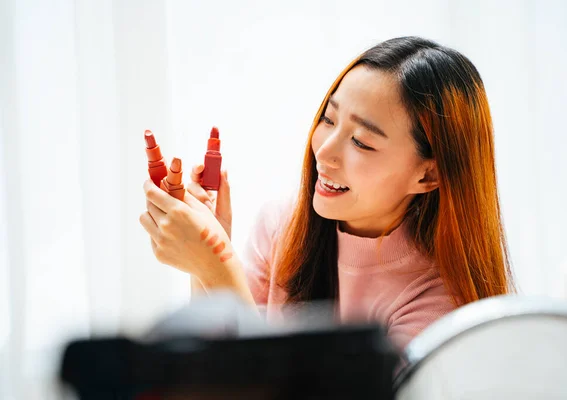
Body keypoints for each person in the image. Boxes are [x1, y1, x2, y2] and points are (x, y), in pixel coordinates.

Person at [140, 36, 515, 348]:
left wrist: (215, 262)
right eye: (329, 119)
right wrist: (204, 257)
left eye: (362, 142)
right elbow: (215, 374)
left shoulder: (439, 307)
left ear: (428, 175)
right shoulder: (282, 225)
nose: (325, 151)